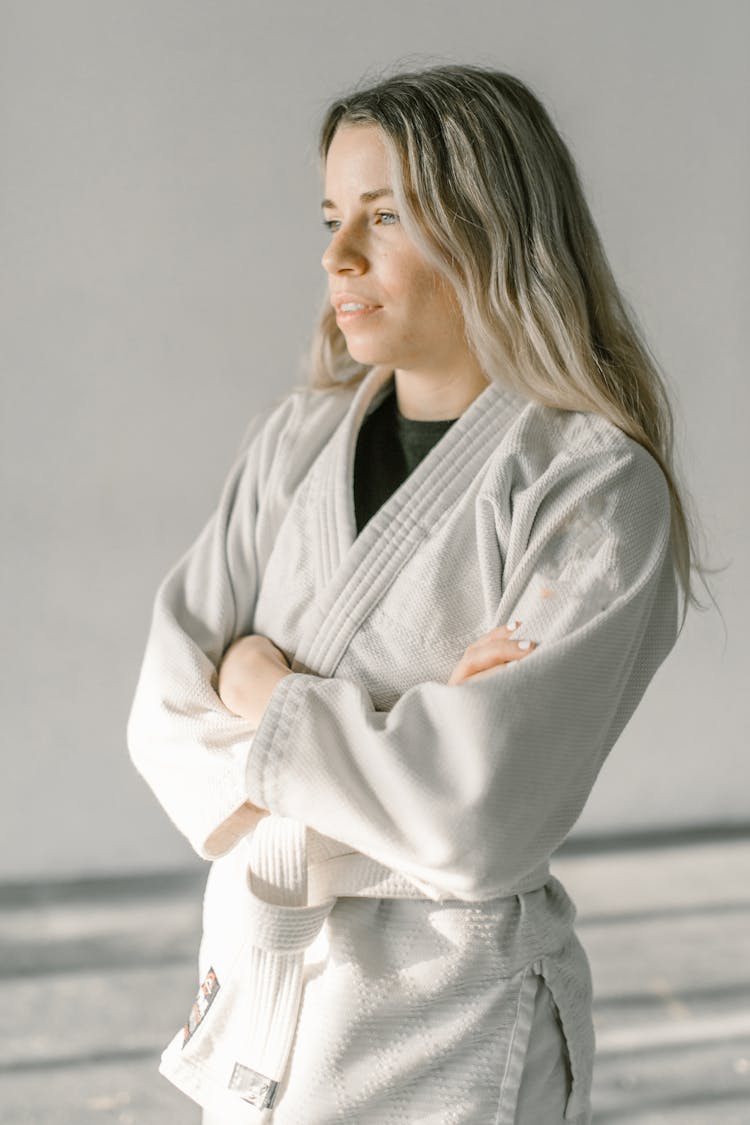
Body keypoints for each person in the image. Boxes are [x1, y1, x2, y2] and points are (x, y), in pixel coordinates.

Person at [127, 64, 701, 1124]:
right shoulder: (290, 444)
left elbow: (480, 811)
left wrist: (259, 686)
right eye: (335, 216)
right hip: (268, 980)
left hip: (450, 1004)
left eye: (384, 217)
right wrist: (408, 723)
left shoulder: (591, 487)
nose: (336, 256)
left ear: (491, 229)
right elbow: (162, 722)